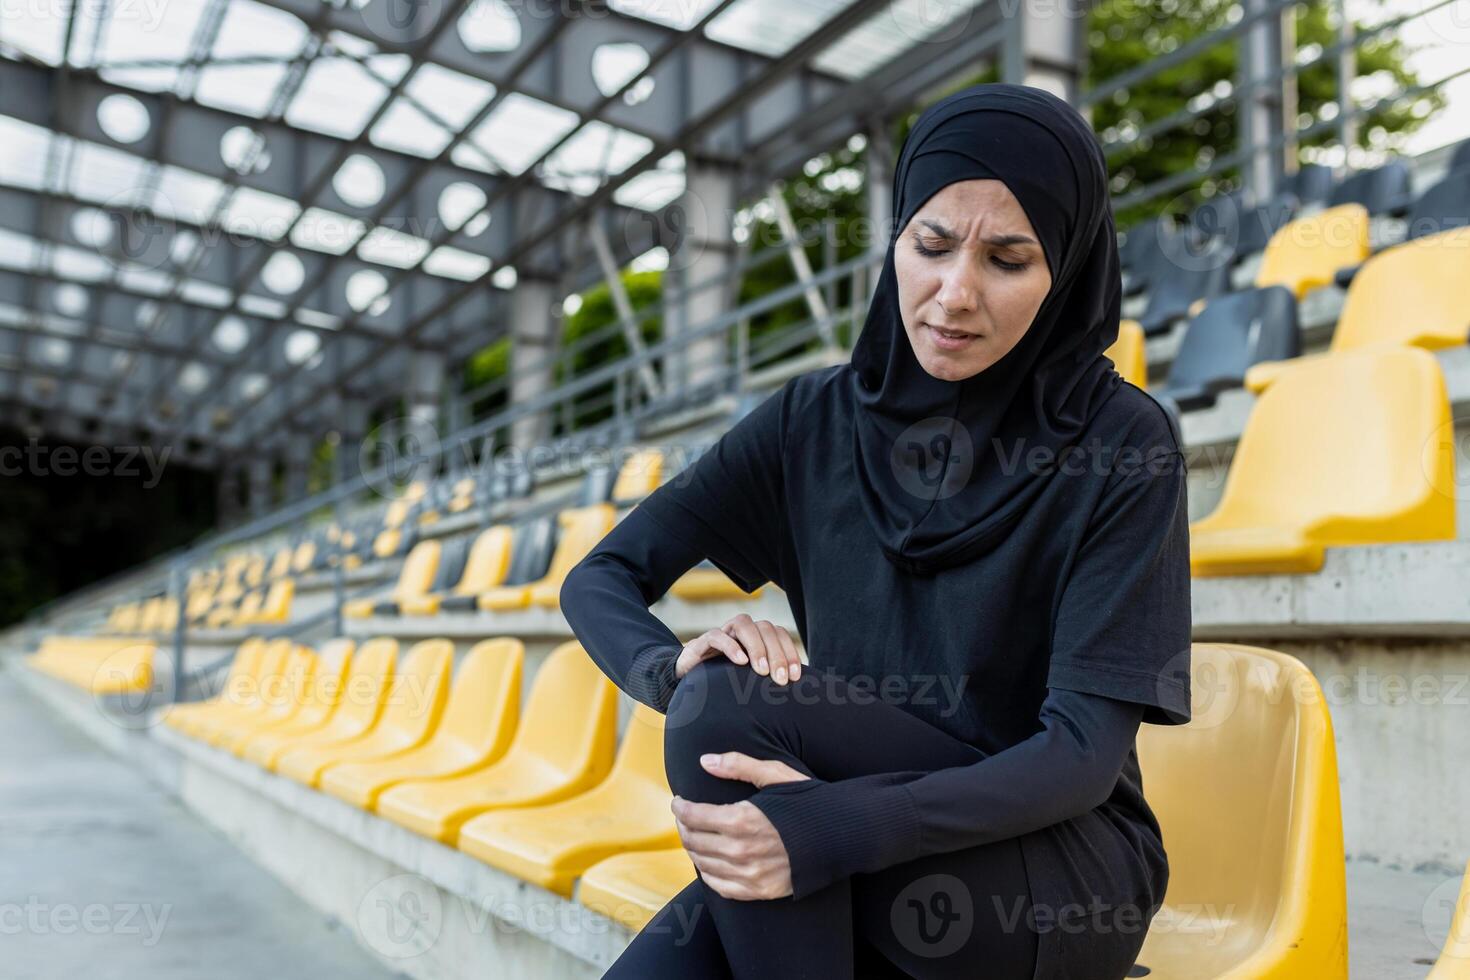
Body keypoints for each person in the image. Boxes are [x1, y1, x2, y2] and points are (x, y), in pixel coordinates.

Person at [559, 82, 1192, 980]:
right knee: (715, 697)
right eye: (930, 246)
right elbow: (601, 575)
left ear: (1066, 274)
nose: (955, 293)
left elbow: (1082, 758)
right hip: (837, 821)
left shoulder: (1124, 443)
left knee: (733, 708)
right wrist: (669, 672)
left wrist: (839, 828)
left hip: (1048, 865)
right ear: (896, 238)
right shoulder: (810, 420)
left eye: (1008, 260)